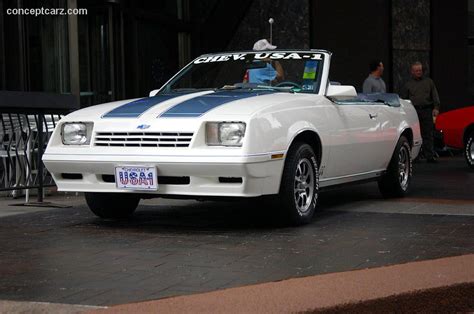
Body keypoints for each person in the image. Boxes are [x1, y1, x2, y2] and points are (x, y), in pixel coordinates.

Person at [401, 61, 440, 163]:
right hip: (414, 111)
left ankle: (429, 155)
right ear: (412, 72)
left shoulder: (429, 82)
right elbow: (404, 99)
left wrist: (436, 107)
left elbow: (435, 96)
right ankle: (415, 156)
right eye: (416, 70)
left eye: (420, 70)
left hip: (426, 110)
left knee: (428, 133)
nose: (419, 72)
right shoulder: (408, 84)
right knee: (414, 134)